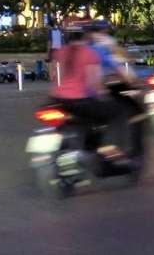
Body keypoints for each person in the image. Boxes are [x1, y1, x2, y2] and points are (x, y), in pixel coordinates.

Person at [50, 22, 137, 163]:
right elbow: (94, 83)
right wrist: (103, 95)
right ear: (84, 36)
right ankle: (112, 149)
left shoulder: (60, 52)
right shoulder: (89, 53)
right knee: (117, 112)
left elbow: (53, 74)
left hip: (58, 99)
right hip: (81, 100)